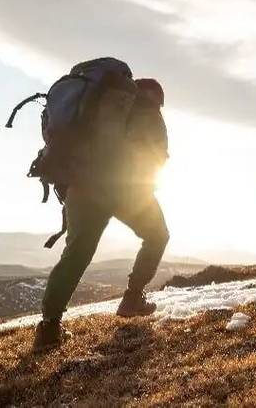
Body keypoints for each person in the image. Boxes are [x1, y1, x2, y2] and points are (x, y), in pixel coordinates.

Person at [33, 77, 171, 351]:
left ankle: (49, 327)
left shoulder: (92, 109)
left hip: (80, 188)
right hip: (125, 189)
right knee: (157, 235)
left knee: (76, 254)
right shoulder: (148, 111)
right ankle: (132, 299)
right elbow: (156, 156)